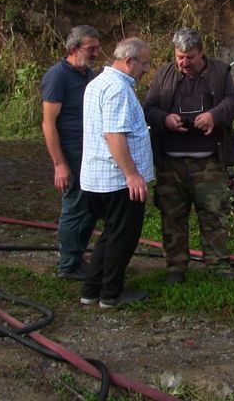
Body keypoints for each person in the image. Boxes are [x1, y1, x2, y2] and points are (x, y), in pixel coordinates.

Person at [143, 28, 234, 283]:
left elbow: (232, 101)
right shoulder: (163, 75)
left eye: (190, 57)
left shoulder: (220, 72)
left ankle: (219, 268)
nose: (184, 63)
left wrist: (214, 116)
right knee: (172, 217)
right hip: (170, 163)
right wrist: (166, 119)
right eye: (180, 57)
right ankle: (176, 268)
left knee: (213, 215)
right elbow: (149, 109)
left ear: (201, 54)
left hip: (208, 161)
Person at [79, 37, 153, 308]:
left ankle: (91, 289)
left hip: (99, 178)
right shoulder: (118, 89)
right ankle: (111, 294)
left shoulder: (97, 83)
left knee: (110, 234)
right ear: (129, 61)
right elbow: (114, 135)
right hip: (117, 180)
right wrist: (132, 175)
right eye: (144, 63)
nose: (146, 69)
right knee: (123, 237)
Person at [41, 25, 101, 280]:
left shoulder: (87, 75)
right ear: (74, 49)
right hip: (71, 153)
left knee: (90, 206)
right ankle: (68, 264)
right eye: (91, 49)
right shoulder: (58, 76)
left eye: (97, 49)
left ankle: (77, 256)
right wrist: (59, 164)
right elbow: (48, 123)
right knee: (74, 206)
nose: (96, 53)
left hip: (89, 153)